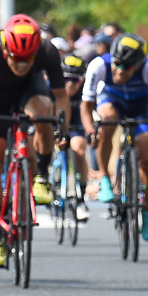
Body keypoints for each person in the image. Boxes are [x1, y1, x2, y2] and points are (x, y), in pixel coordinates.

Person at [0, 14, 69, 267]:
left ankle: (40, 175)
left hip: (31, 90)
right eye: (15, 58)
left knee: (44, 111)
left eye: (27, 59)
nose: (21, 65)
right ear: (5, 48)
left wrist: (60, 128)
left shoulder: (47, 51)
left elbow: (61, 96)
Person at [81, 33, 148, 242]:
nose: (119, 70)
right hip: (112, 100)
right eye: (116, 64)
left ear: (138, 64)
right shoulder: (99, 65)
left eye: (127, 67)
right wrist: (91, 131)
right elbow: (86, 105)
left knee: (146, 151)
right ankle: (106, 180)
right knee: (106, 122)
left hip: (139, 106)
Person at [59, 54, 91, 219]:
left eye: (75, 80)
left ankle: (81, 197)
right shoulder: (51, 86)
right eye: (66, 79)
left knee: (79, 147)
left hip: (76, 126)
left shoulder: (86, 91)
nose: (70, 84)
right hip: (55, 125)